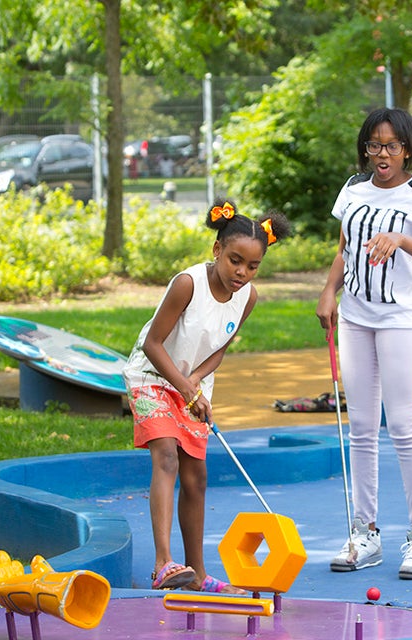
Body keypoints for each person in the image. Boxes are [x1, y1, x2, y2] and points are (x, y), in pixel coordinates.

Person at [122, 200, 291, 594]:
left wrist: (196, 381)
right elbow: (153, 343)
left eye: (252, 266)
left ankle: (197, 574)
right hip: (151, 375)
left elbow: (220, 348)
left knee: (196, 477)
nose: (242, 273)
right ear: (217, 250)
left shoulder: (247, 297)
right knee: (166, 455)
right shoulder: (188, 283)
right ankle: (163, 564)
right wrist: (185, 387)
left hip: (192, 382)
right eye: (235, 260)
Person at [317, 107, 412, 580]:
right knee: (362, 428)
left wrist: (400, 238)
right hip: (354, 316)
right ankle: (365, 533)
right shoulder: (353, 187)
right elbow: (343, 249)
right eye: (374, 145)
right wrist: (330, 291)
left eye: (391, 145)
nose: (382, 154)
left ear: (407, 147)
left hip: (400, 318)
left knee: (404, 426)